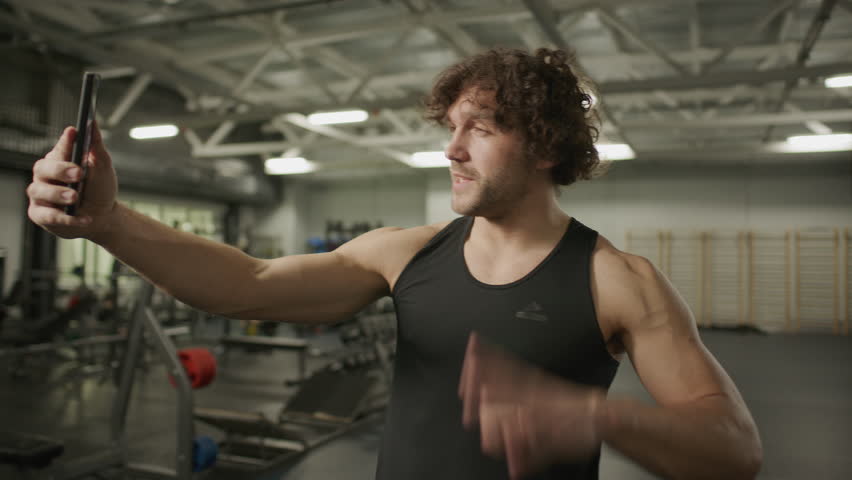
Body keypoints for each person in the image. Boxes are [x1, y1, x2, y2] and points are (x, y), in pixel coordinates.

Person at [26, 47, 762, 479]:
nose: (452, 148)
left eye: (482, 128)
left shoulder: (616, 279)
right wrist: (107, 222)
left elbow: (733, 448)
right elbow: (244, 287)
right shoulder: (404, 254)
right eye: (452, 127)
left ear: (544, 147)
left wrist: (590, 415)